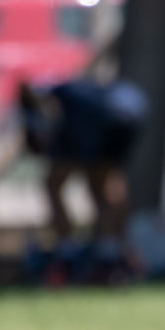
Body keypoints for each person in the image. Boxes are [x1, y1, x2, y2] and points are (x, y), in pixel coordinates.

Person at [17, 76, 145, 284]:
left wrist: (35, 126)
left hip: (101, 114)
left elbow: (39, 105)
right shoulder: (81, 87)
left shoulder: (44, 86)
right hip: (131, 108)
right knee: (104, 183)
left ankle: (67, 254)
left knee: (53, 184)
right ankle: (110, 253)